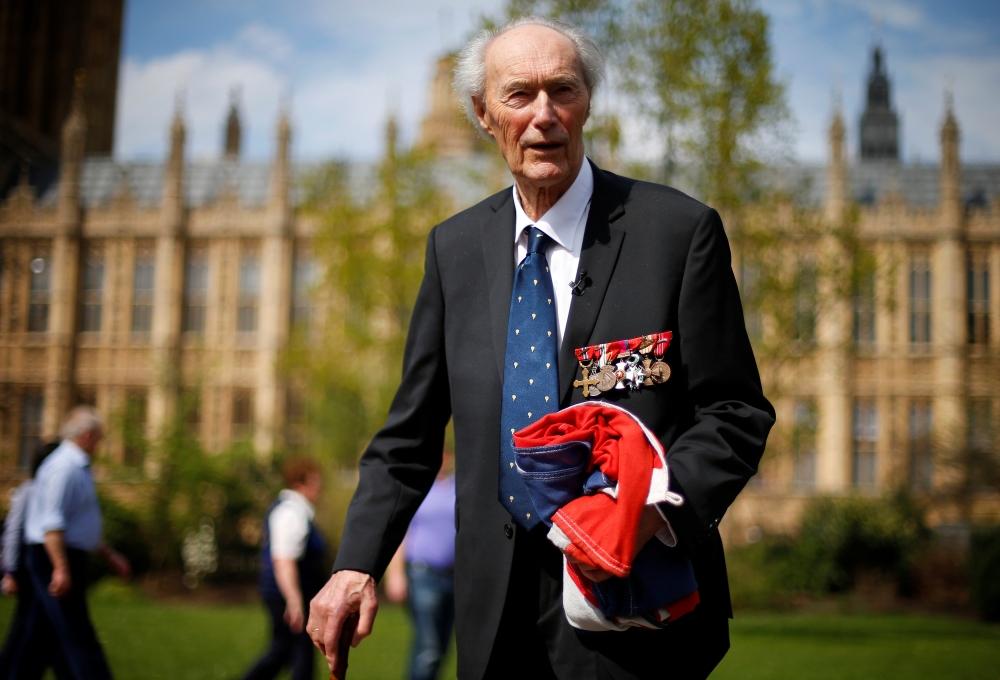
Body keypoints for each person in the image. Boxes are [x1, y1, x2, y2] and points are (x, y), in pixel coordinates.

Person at [308, 15, 775, 680]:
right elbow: (408, 437)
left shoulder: (677, 232)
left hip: (638, 607)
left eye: (564, 91)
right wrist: (356, 563)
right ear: (482, 114)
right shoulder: (455, 249)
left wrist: (650, 512)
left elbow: (734, 411)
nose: (544, 116)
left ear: (588, 103)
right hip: (494, 615)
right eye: (518, 95)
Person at [22, 406, 131, 680]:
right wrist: (60, 567)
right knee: (78, 634)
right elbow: (52, 521)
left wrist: (108, 555)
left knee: (40, 638)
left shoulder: (77, 467)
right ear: (86, 435)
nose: (101, 444)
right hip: (54, 556)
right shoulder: (63, 467)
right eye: (100, 437)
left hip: (61, 555)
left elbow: (79, 524)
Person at [242, 457, 327, 680]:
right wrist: (294, 600)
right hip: (287, 594)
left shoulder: (296, 509)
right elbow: (283, 560)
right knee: (298, 653)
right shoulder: (292, 512)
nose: (320, 488)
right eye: (315, 482)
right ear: (299, 484)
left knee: (284, 650)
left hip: (287, 593)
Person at [385, 450, 456, 680]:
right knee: (429, 647)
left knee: (442, 647)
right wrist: (395, 575)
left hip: (453, 577)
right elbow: (400, 533)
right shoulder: (417, 490)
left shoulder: (457, 487)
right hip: (423, 574)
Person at [0, 441, 62, 680]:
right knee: (26, 629)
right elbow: (13, 532)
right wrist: (10, 572)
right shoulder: (30, 490)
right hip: (30, 570)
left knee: (37, 630)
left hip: (47, 569)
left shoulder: (50, 491)